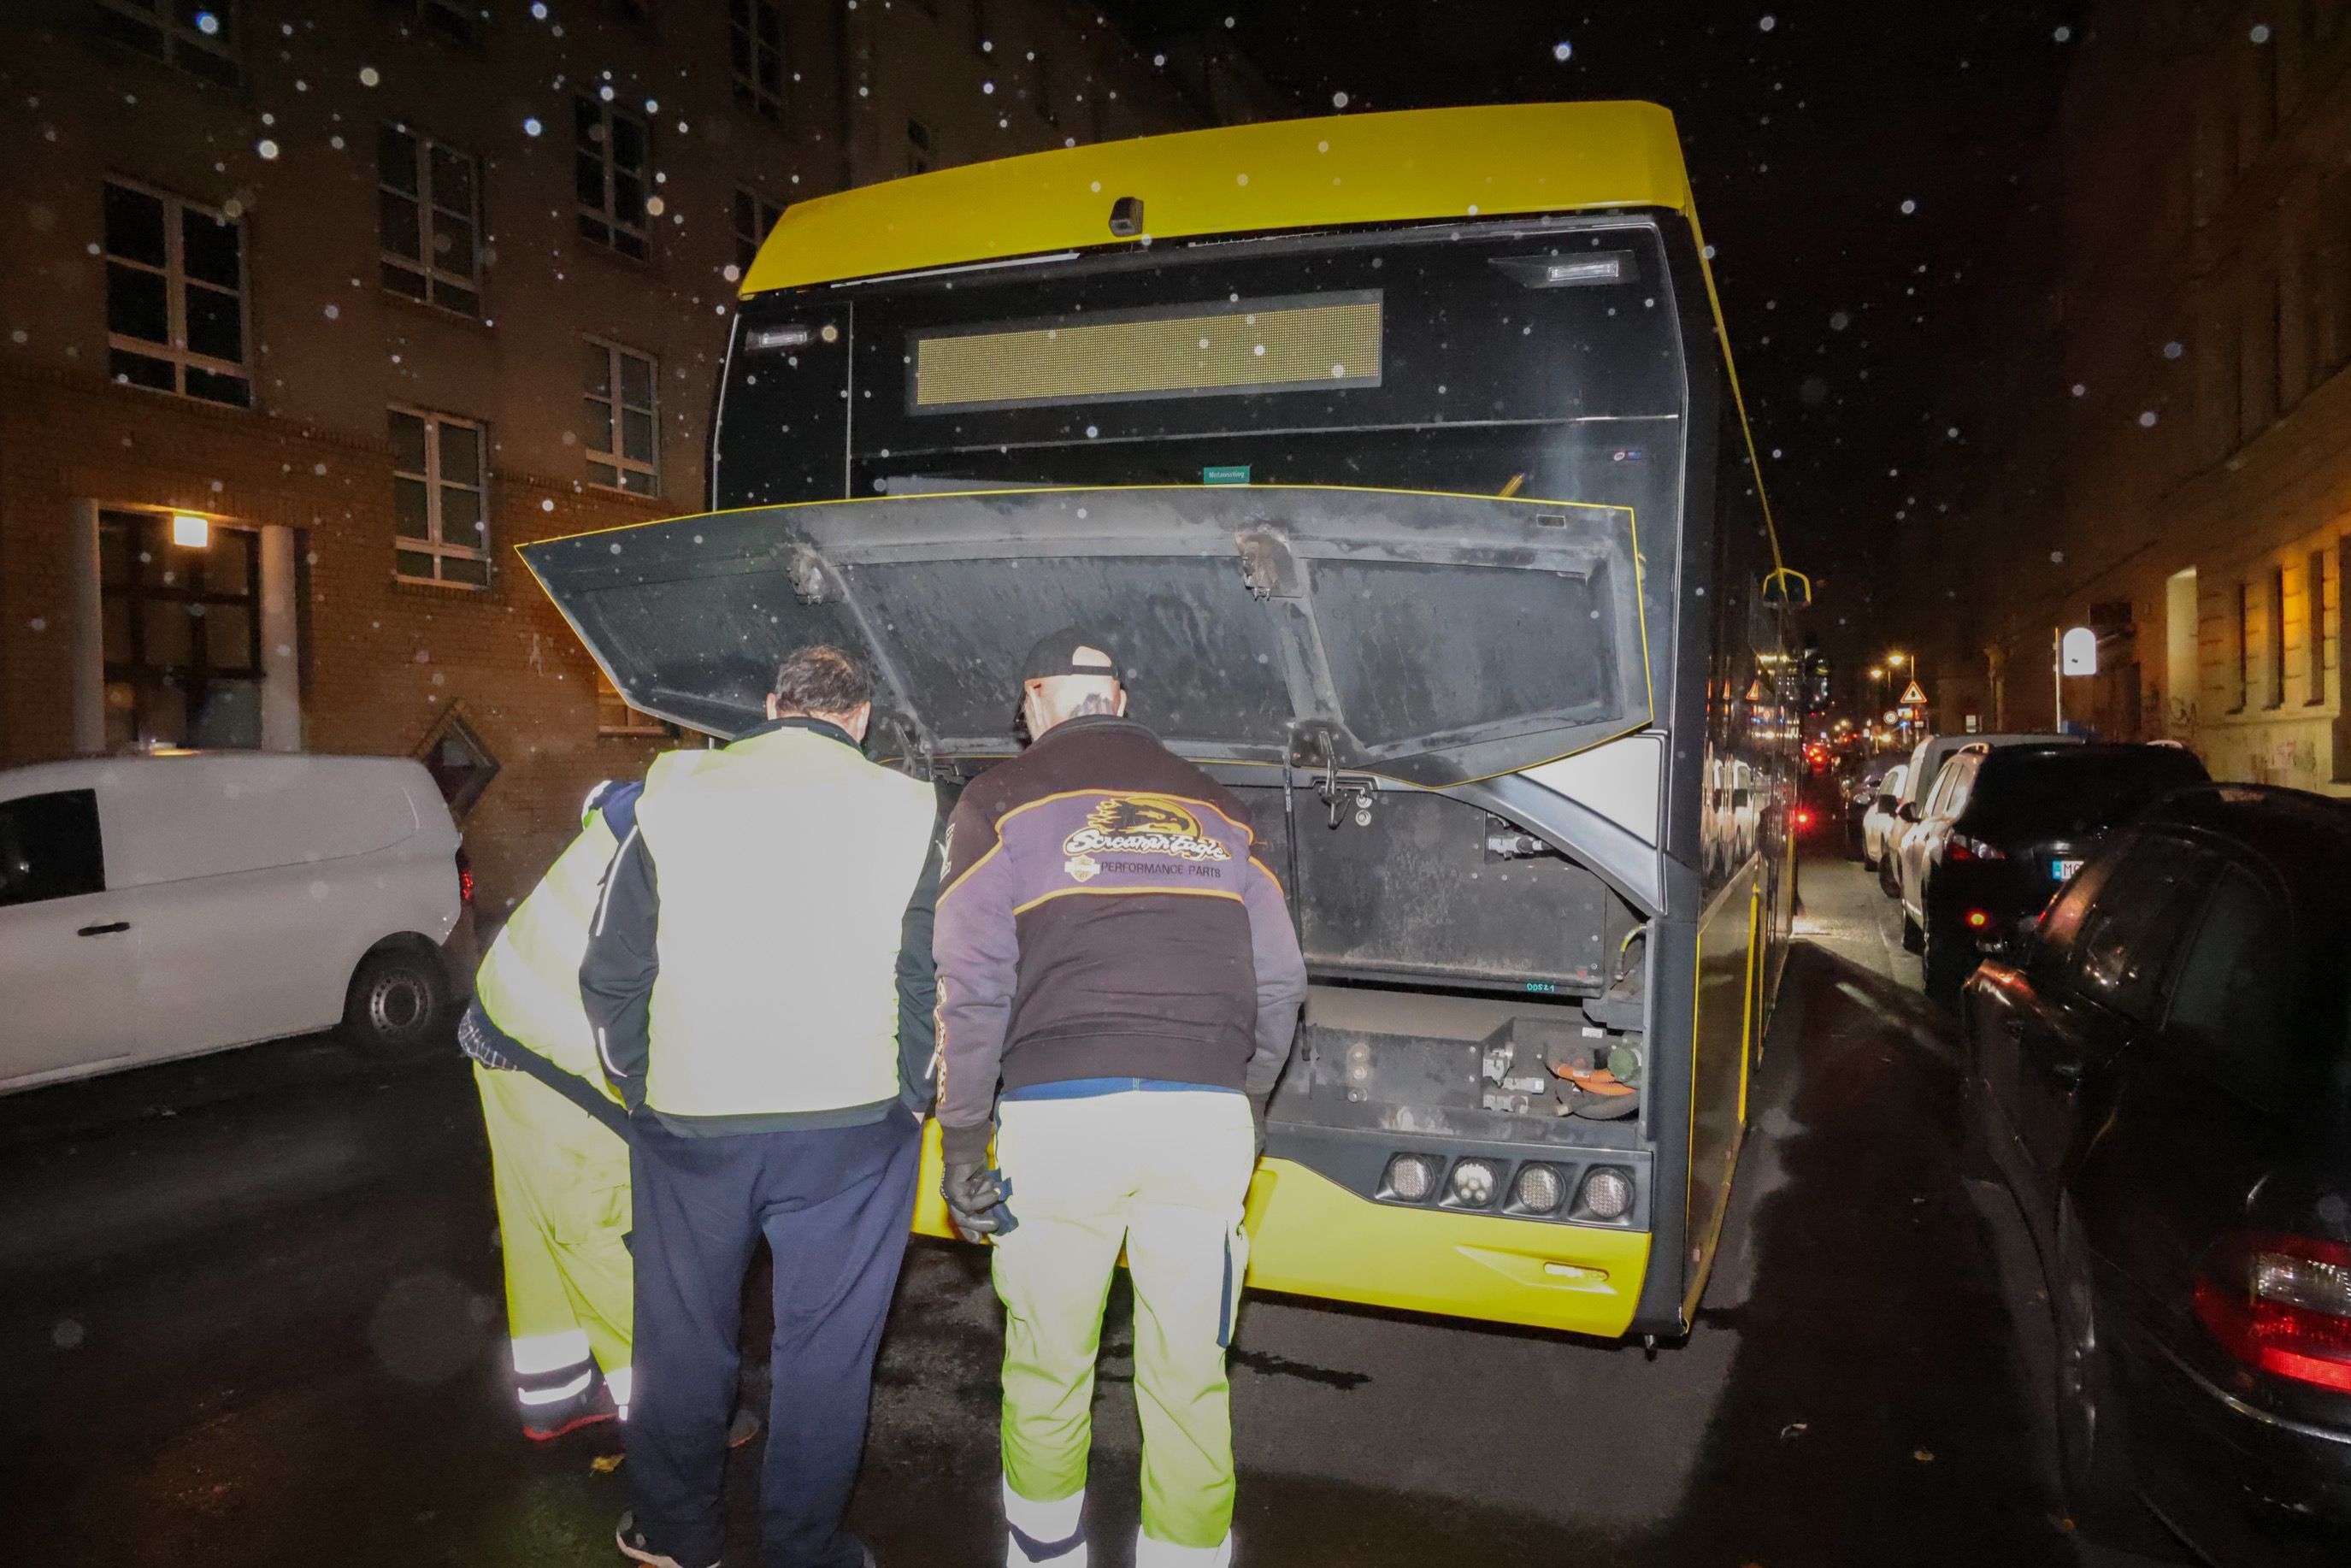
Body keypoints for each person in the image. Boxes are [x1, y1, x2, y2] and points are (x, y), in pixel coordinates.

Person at [932, 628, 1308, 1568]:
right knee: (1189, 1374)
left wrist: (963, 1139)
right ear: (1118, 698)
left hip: (1062, 1122)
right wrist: (1242, 1096)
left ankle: (1045, 1553)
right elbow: (1281, 983)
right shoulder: (1221, 809)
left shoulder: (999, 799)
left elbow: (970, 986)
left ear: (1037, 700)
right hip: (1201, 1117)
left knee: (1049, 1364)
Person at [581, 645, 943, 1568]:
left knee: (682, 1338)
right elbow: (928, 978)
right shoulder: (907, 810)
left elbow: (612, 969)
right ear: (858, 720)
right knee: (825, 1354)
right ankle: (801, 1549)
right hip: (850, 1127)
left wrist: (638, 1081)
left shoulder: (674, 792)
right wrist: (911, 1094)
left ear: (771, 706)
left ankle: (677, 1535)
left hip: (693, 1122)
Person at [460, 780, 644, 1440]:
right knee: (598, 1228)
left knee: (543, 1225)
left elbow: (600, 797)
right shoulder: (720, 857)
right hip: (565, 1048)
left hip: (509, 1009)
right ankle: (670, 1409)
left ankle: (553, 1391)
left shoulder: (659, 799)